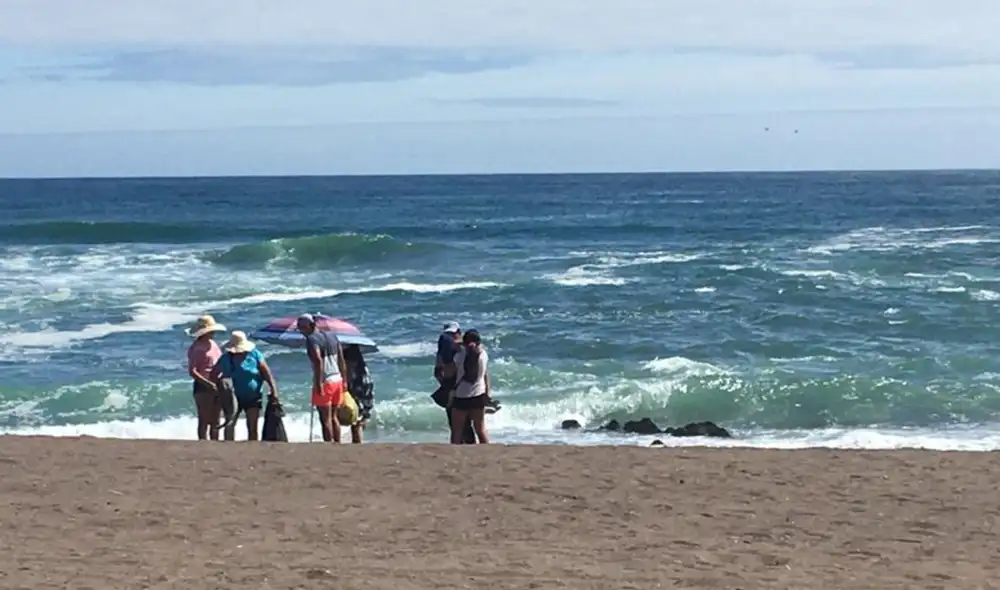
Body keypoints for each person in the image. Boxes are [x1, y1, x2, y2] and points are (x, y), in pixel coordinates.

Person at [214, 331, 279, 441]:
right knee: (230, 424)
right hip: (232, 397)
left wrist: (274, 390)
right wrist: (219, 389)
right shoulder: (225, 358)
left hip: (253, 396)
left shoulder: (255, 354)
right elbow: (214, 375)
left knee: (252, 427)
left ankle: (253, 449)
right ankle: (228, 448)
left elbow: (267, 373)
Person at [297, 313, 349, 443]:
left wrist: (318, 382)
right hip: (337, 379)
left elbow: (318, 360)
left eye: (302, 327)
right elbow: (341, 359)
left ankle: (328, 444)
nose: (300, 330)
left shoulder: (312, 339)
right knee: (334, 417)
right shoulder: (332, 336)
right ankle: (337, 443)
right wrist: (345, 380)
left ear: (310, 326)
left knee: (325, 418)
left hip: (325, 381)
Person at [433, 322, 476, 443]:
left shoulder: (443, 352)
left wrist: (445, 385)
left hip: (452, 387)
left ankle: (461, 445)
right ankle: (468, 445)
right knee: (466, 423)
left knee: (455, 422)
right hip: (464, 388)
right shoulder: (465, 350)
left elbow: (437, 372)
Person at [185, 314, 226, 440]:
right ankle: (202, 443)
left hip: (217, 382)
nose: (213, 333)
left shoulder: (213, 344)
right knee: (204, 419)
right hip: (203, 386)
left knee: (216, 419)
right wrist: (208, 384)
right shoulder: (197, 348)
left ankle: (215, 442)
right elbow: (192, 371)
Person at [450, 329, 492, 444]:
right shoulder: (483, 354)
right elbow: (486, 375)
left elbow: (451, 370)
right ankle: (487, 451)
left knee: (457, 431)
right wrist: (488, 393)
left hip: (461, 396)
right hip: (479, 395)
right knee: (480, 429)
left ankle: (454, 455)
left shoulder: (459, 356)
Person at [343, 344, 374, 444]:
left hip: (359, 388)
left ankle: (358, 443)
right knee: (362, 417)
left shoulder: (351, 363)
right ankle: (359, 441)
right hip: (367, 387)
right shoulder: (362, 365)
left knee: (356, 420)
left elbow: (349, 377)